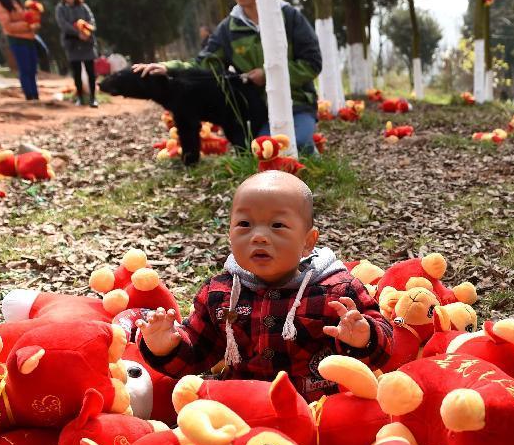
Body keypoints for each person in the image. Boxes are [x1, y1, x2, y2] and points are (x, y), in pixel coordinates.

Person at [137, 171, 392, 401]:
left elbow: (383, 349)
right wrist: (166, 346)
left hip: (315, 409)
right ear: (230, 234)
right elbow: (197, 352)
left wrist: (362, 337)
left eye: (277, 225)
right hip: (243, 408)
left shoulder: (335, 289)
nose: (258, 236)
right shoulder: (220, 292)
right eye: (244, 224)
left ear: (308, 241)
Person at [132, 0, 322, 152]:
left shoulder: (289, 17)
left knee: (296, 144)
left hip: (296, 103)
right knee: (263, 150)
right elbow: (204, 64)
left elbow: (312, 63)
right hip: (256, 110)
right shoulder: (228, 28)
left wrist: (267, 75)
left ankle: (310, 154)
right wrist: (170, 68)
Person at [0, 0, 40, 101]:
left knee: (33, 69)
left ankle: (36, 95)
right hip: (17, 41)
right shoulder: (0, 5)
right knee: (25, 69)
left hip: (30, 38)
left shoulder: (16, 2)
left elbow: (26, 19)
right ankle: (29, 96)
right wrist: (27, 25)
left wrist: (34, 20)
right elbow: (8, 26)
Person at [54, 0, 98, 107]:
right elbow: (63, 24)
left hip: (87, 44)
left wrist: (86, 32)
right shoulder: (60, 9)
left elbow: (91, 21)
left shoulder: (83, 7)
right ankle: (80, 97)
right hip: (72, 44)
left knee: (91, 73)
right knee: (77, 73)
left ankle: (93, 98)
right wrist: (78, 33)